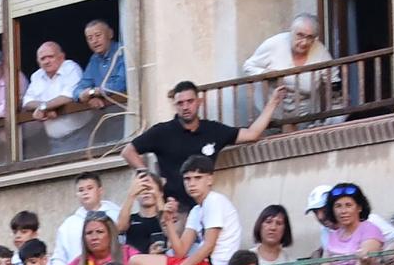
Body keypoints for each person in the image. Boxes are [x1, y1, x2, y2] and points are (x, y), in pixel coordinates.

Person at [123, 80, 289, 209]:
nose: (186, 107)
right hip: (173, 208)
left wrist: (273, 102)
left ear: (199, 102)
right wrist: (150, 178)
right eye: (180, 103)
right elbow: (128, 151)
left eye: (190, 101)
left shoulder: (213, 130)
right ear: (175, 105)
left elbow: (252, 134)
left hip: (204, 207)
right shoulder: (162, 132)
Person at [241, 13, 336, 116]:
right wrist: (265, 73)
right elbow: (248, 66)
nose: (304, 42)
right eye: (300, 35)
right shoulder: (274, 44)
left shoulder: (320, 51)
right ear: (291, 31)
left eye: (310, 37)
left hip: (305, 115)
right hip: (271, 114)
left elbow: (333, 80)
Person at [22, 41, 87, 152]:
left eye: (50, 57)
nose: (47, 61)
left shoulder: (70, 67)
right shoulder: (36, 76)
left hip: (81, 135)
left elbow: (69, 96)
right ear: (38, 62)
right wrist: (46, 107)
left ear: (61, 57)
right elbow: (27, 102)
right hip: (55, 142)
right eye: (43, 58)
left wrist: (44, 108)